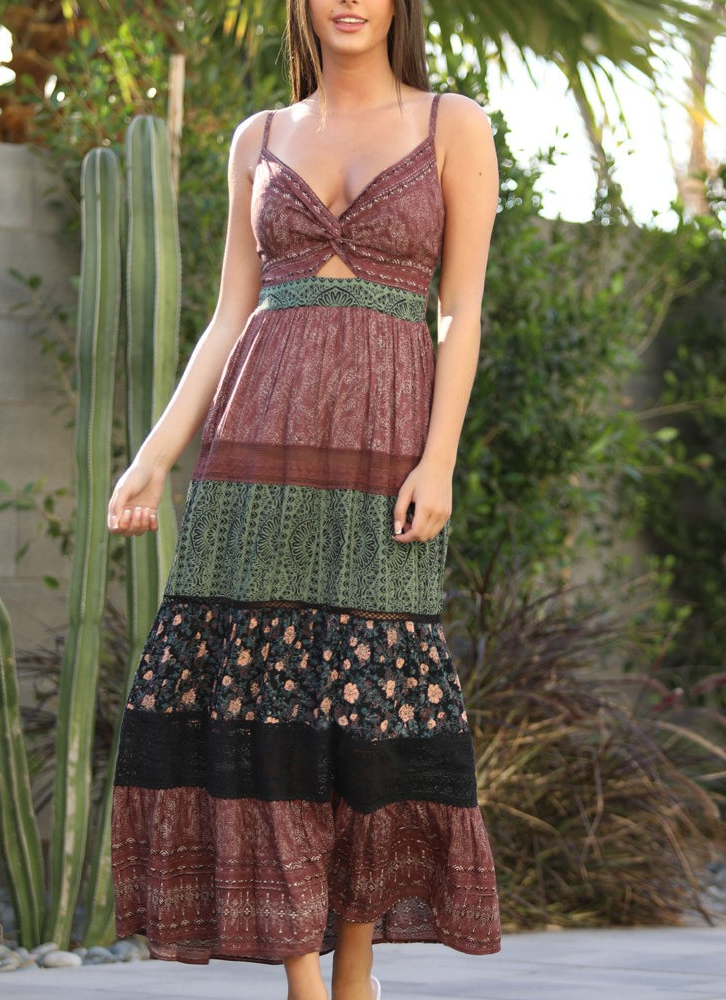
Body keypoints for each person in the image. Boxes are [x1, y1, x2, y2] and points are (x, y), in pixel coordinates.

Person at [107, 0, 501, 997]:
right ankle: (302, 978)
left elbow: (457, 309)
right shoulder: (259, 137)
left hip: (382, 455)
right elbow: (228, 314)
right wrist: (155, 455)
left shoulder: (450, 123)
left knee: (366, 708)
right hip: (253, 455)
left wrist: (440, 458)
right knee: (257, 701)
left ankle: (355, 971)